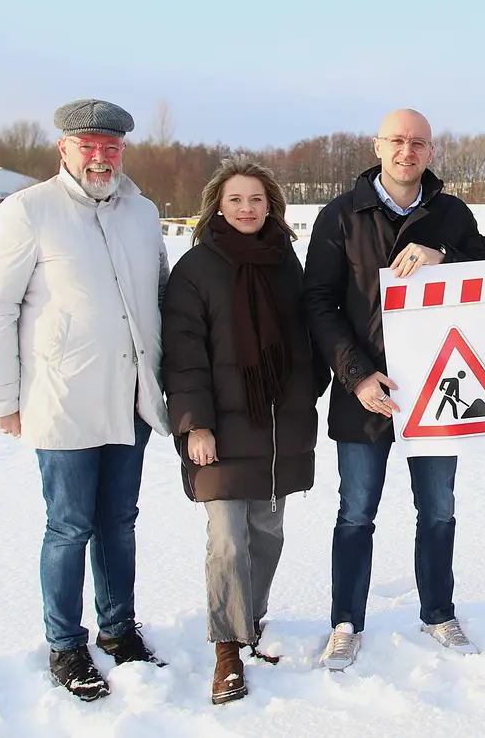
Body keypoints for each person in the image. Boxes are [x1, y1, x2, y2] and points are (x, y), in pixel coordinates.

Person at [0, 98, 172, 702]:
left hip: (131, 398)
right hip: (61, 399)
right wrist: (3, 397)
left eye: (110, 146)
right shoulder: (28, 211)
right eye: (87, 144)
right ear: (63, 148)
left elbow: (162, 297)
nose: (99, 156)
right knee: (69, 525)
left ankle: (118, 631)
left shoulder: (142, 213)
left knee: (119, 522)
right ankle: (65, 643)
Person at [301, 108, 485, 671]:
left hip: (441, 387)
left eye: (418, 142)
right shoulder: (341, 216)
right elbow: (319, 301)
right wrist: (356, 374)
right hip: (364, 389)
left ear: (430, 152)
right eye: (397, 141)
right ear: (377, 146)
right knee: (356, 512)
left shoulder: (451, 214)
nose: (407, 151)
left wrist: (445, 258)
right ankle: (346, 621)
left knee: (438, 508)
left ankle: (438, 611)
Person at [161, 158, 328, 704]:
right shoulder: (196, 269)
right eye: (236, 200)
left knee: (267, 536)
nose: (247, 209)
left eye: (256, 199)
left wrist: (312, 387)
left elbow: (306, 335)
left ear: (271, 204)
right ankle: (228, 648)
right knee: (228, 541)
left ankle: (250, 621)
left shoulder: (287, 262)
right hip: (221, 433)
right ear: (218, 205)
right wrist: (196, 426)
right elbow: (184, 356)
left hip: (279, 428)